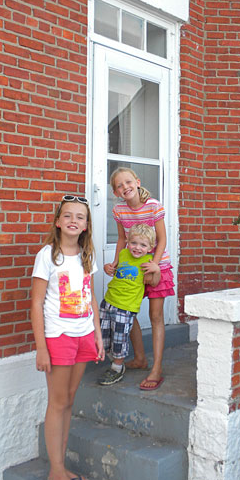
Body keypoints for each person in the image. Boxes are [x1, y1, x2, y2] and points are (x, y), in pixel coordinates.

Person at [31, 195, 105, 480]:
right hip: (58, 337)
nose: (74, 220)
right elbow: (35, 303)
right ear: (58, 222)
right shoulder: (48, 255)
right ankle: (56, 473)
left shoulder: (87, 256)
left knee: (70, 400)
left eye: (81, 217)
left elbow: (90, 299)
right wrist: (41, 348)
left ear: (87, 225)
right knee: (57, 402)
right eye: (68, 216)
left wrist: (98, 335)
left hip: (84, 333)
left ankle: (58, 468)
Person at [104, 167, 175, 391]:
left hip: (155, 267)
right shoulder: (119, 211)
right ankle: (140, 359)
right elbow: (122, 240)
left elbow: (162, 238)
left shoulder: (153, 206)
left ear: (137, 181)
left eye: (128, 182)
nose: (125, 187)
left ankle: (156, 369)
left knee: (155, 316)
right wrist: (116, 263)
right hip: (131, 269)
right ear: (115, 192)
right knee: (127, 310)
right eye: (119, 185)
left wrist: (154, 264)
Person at [98, 224, 160, 386]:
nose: (137, 248)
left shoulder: (148, 261)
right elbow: (115, 269)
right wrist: (107, 267)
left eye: (143, 245)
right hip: (109, 301)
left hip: (126, 307)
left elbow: (153, 283)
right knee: (103, 336)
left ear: (150, 247)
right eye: (134, 243)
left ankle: (117, 368)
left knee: (119, 338)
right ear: (127, 241)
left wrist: (157, 270)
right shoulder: (124, 253)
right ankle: (114, 360)